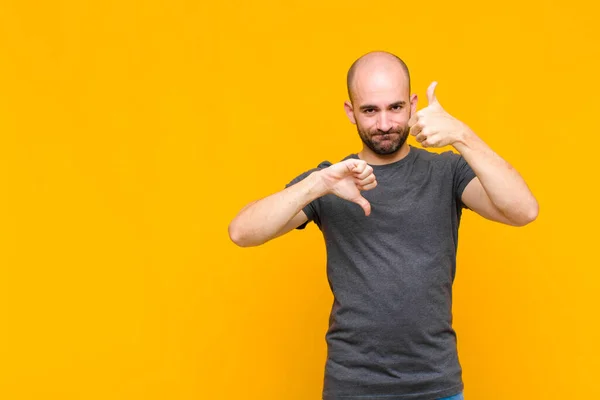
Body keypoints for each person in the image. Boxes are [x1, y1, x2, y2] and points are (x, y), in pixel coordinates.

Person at [228, 51, 538, 400]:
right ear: (350, 112)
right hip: (353, 387)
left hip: (436, 385)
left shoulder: (446, 173)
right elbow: (242, 232)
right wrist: (318, 184)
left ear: (412, 104)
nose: (386, 124)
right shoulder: (334, 179)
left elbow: (523, 210)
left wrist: (462, 136)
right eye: (370, 110)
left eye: (395, 107)